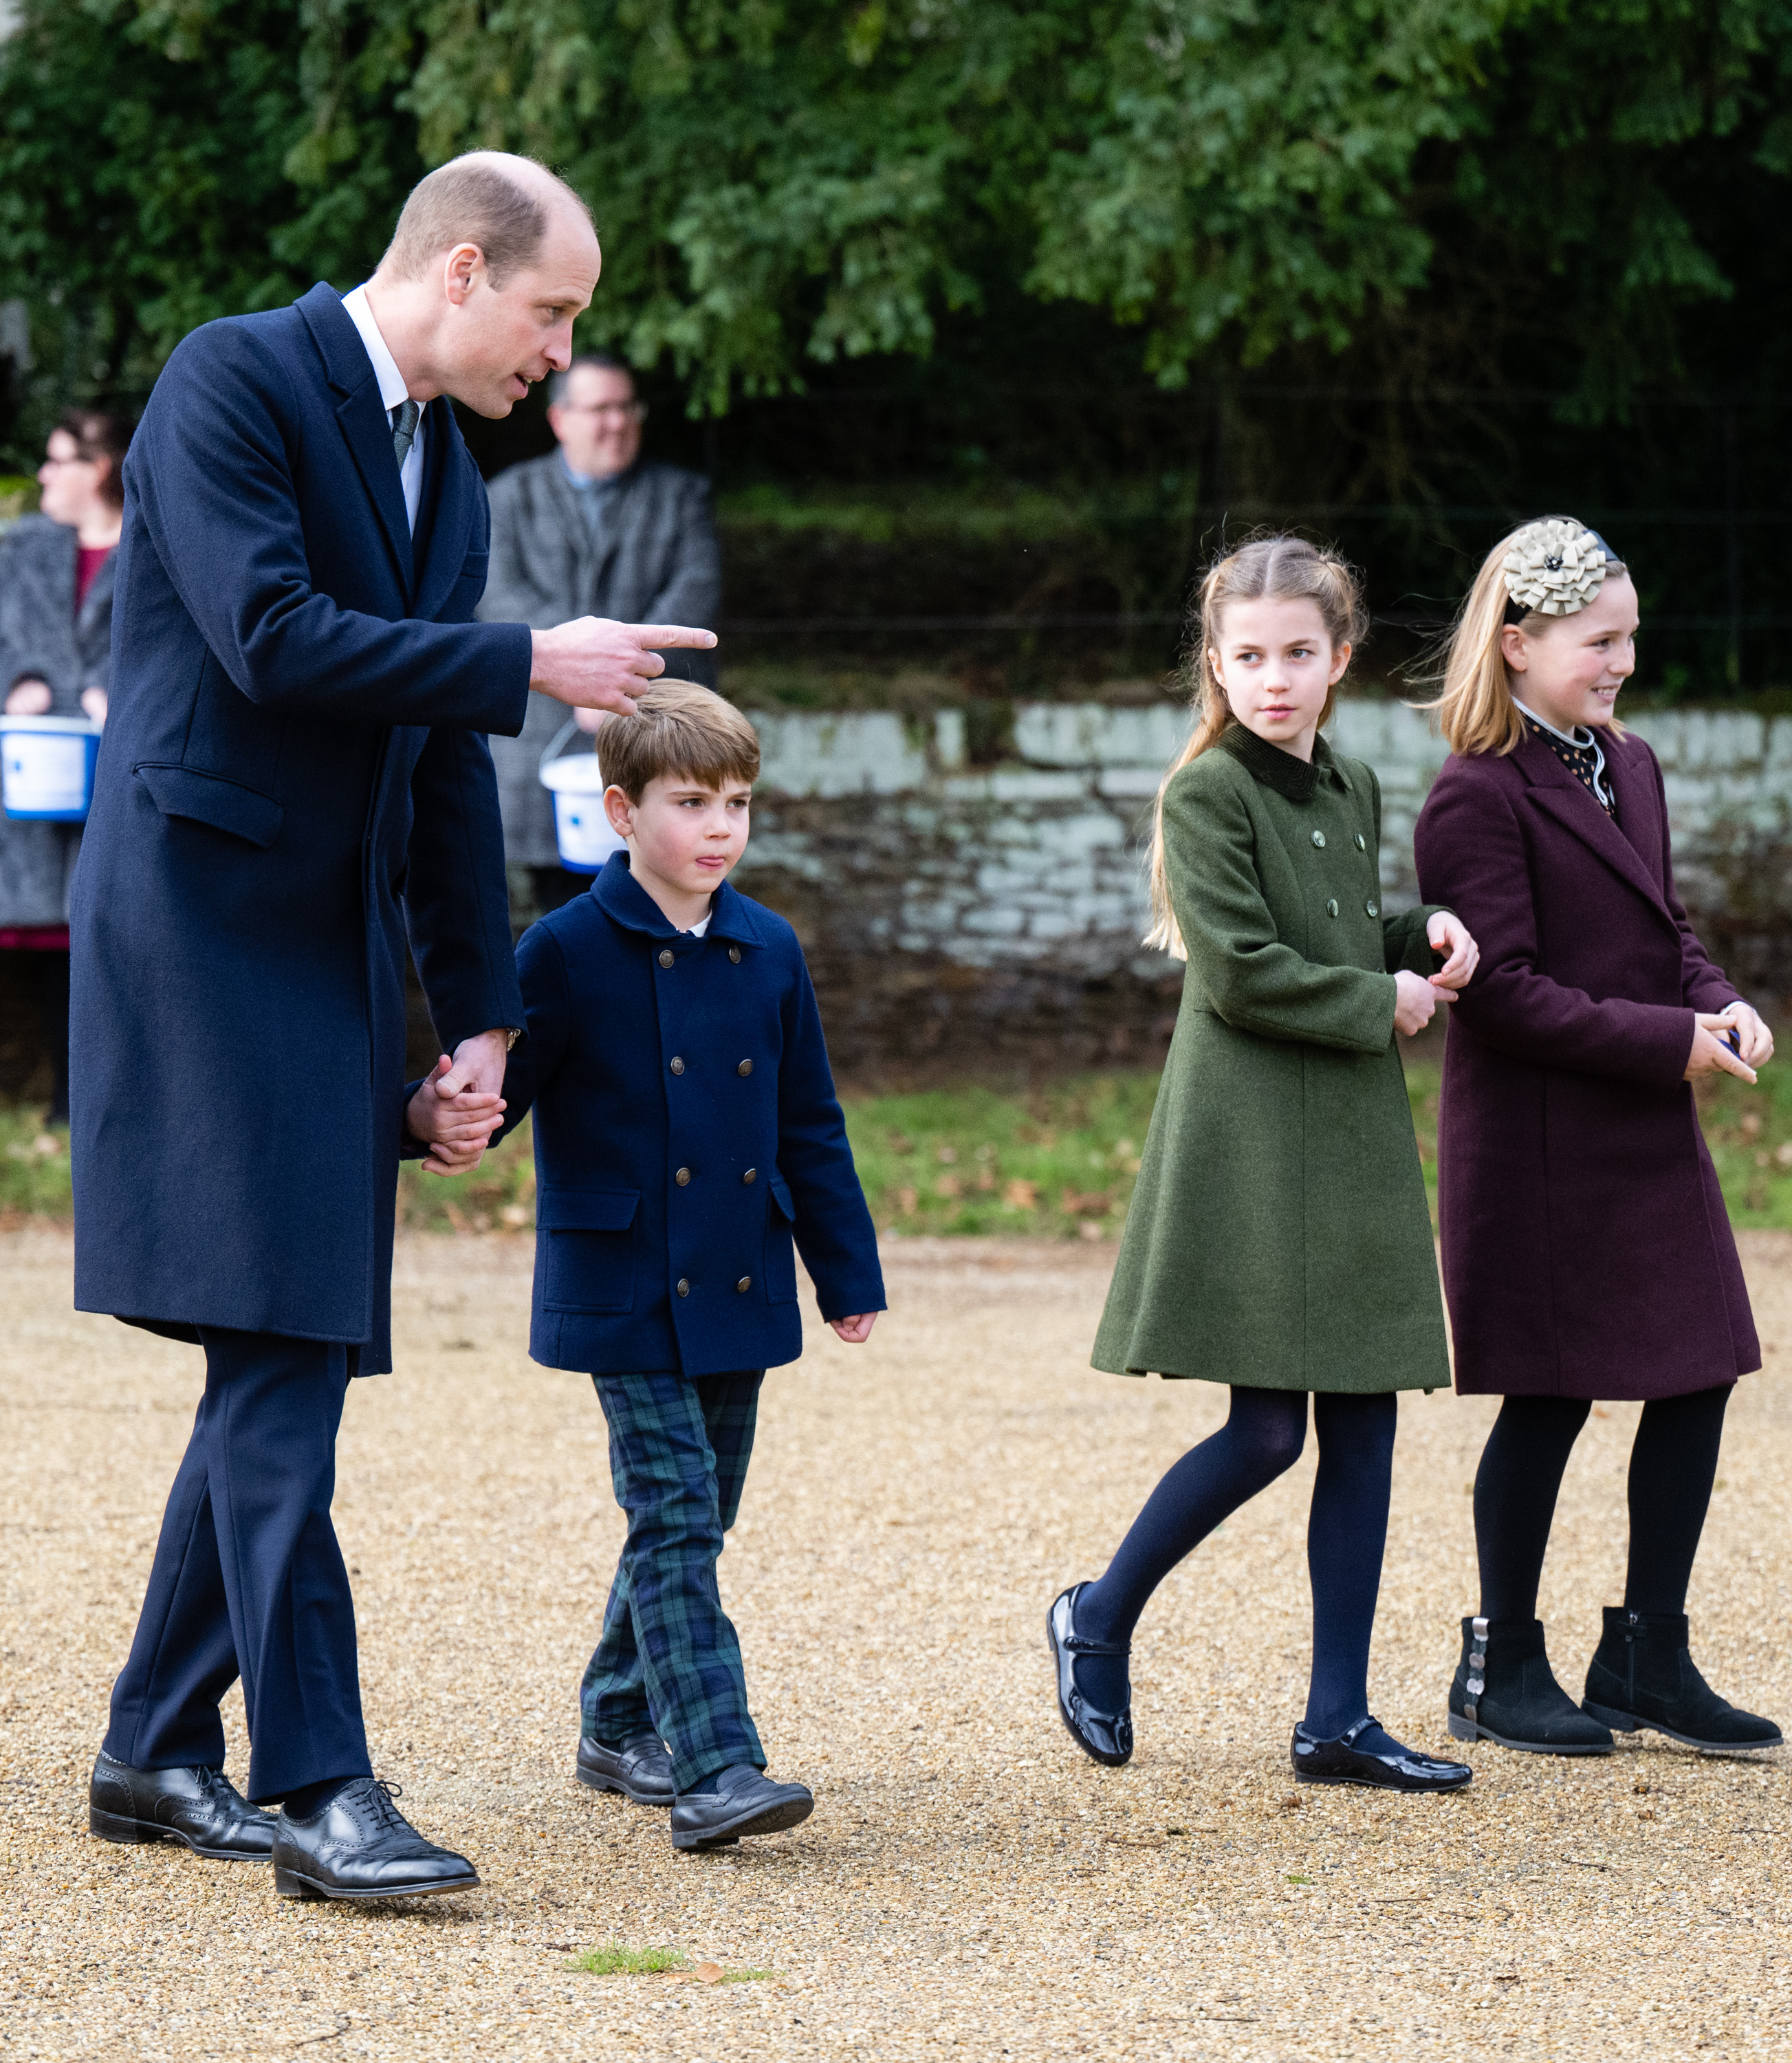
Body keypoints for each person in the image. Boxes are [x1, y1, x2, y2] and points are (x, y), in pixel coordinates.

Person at [75, 150, 718, 1901]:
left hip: (335, 951)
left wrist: (483, 1024)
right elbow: (275, 642)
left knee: (284, 1345)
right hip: (203, 936)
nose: (564, 348)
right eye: (554, 309)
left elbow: (439, 768)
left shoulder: (451, 479)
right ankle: (318, 1781)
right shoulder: (232, 375)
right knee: (285, 1348)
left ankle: (149, 1747)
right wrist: (522, 659)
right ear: (458, 269)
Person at [407, 680, 884, 1852]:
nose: (719, 828)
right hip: (621, 1283)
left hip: (737, 1275)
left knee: (696, 1515)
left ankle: (617, 1718)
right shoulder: (561, 950)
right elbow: (500, 1089)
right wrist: (437, 1123)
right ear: (620, 810)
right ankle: (716, 1763)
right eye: (690, 803)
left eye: (737, 803)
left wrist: (847, 1269)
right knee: (673, 1510)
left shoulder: (769, 948)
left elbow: (809, 1121)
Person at [1047, 534, 1479, 1793]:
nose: (1274, 676)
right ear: (1217, 664)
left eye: (1298, 653)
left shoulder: (1345, 784)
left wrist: (1419, 929)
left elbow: (1335, 926)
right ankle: (1099, 1612)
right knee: (1264, 1434)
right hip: (1253, 1129)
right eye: (1249, 656)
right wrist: (1383, 997)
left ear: (1340, 658)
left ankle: (1337, 1718)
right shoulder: (1206, 794)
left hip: (1344, 1124)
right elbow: (1240, 969)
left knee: (1363, 1425)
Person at [1413, 516, 1781, 1756]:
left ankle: (1645, 1656)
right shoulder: (1472, 792)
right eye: (1598, 639)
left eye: (1629, 635)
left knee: (1699, 1372)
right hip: (1538, 1149)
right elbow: (1502, 991)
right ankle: (1500, 1660)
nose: (1622, 659)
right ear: (1515, 645)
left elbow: (1663, 928)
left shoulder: (1633, 764)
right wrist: (1666, 1042)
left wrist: (1717, 997)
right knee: (1551, 1398)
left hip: (1641, 1129)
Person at [480, 353, 721, 917]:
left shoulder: (683, 497)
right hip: (545, 743)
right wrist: (577, 676)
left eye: (626, 407)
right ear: (560, 419)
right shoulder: (507, 498)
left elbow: (694, 595)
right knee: (561, 914)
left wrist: (620, 682)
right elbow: (498, 597)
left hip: (664, 734)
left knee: (670, 907)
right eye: (600, 409)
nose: (617, 422)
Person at [0, 408, 131, 1123]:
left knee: (105, 930)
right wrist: (19, 679)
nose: (45, 475)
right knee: (45, 934)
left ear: (99, 468)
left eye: (57, 461)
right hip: (33, 768)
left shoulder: (150, 545)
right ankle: (61, 1098)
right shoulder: (20, 549)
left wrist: (120, 694)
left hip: (119, 771)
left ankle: (102, 1098)